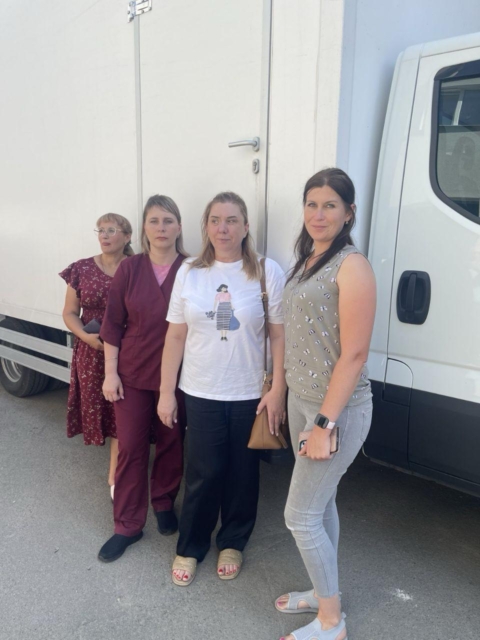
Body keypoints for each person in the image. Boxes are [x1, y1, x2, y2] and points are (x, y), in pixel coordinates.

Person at [158, 191, 286, 586]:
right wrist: (166, 392)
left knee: (243, 473)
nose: (223, 228)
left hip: (250, 392)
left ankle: (232, 541)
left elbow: (279, 336)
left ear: (246, 227)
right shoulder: (190, 271)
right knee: (202, 472)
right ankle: (190, 546)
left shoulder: (266, 271)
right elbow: (175, 336)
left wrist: (278, 389)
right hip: (201, 390)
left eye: (231, 220)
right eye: (215, 220)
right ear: (206, 226)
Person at [275, 168, 376, 640]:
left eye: (330, 205)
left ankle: (332, 622)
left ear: (349, 212)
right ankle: (323, 591)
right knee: (322, 503)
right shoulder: (309, 259)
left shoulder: (352, 266)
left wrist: (323, 424)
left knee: (299, 516)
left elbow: (354, 354)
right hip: (303, 400)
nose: (319, 214)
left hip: (336, 411)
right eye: (312, 204)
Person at [97, 195, 188, 563]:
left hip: (179, 377)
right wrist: (110, 374)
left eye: (168, 221)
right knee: (131, 447)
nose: (161, 228)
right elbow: (112, 324)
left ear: (179, 227)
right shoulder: (130, 269)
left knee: (171, 443)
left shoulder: (193, 269)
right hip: (132, 374)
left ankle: (163, 501)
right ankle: (127, 525)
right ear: (144, 228)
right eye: (154, 221)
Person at [60, 213, 134, 499]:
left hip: (128, 350)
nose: (104, 235)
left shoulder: (137, 267)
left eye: (111, 230)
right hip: (91, 351)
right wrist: (85, 336)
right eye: (100, 230)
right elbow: (69, 312)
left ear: (127, 237)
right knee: (105, 409)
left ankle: (115, 475)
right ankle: (117, 470)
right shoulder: (80, 268)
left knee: (122, 412)